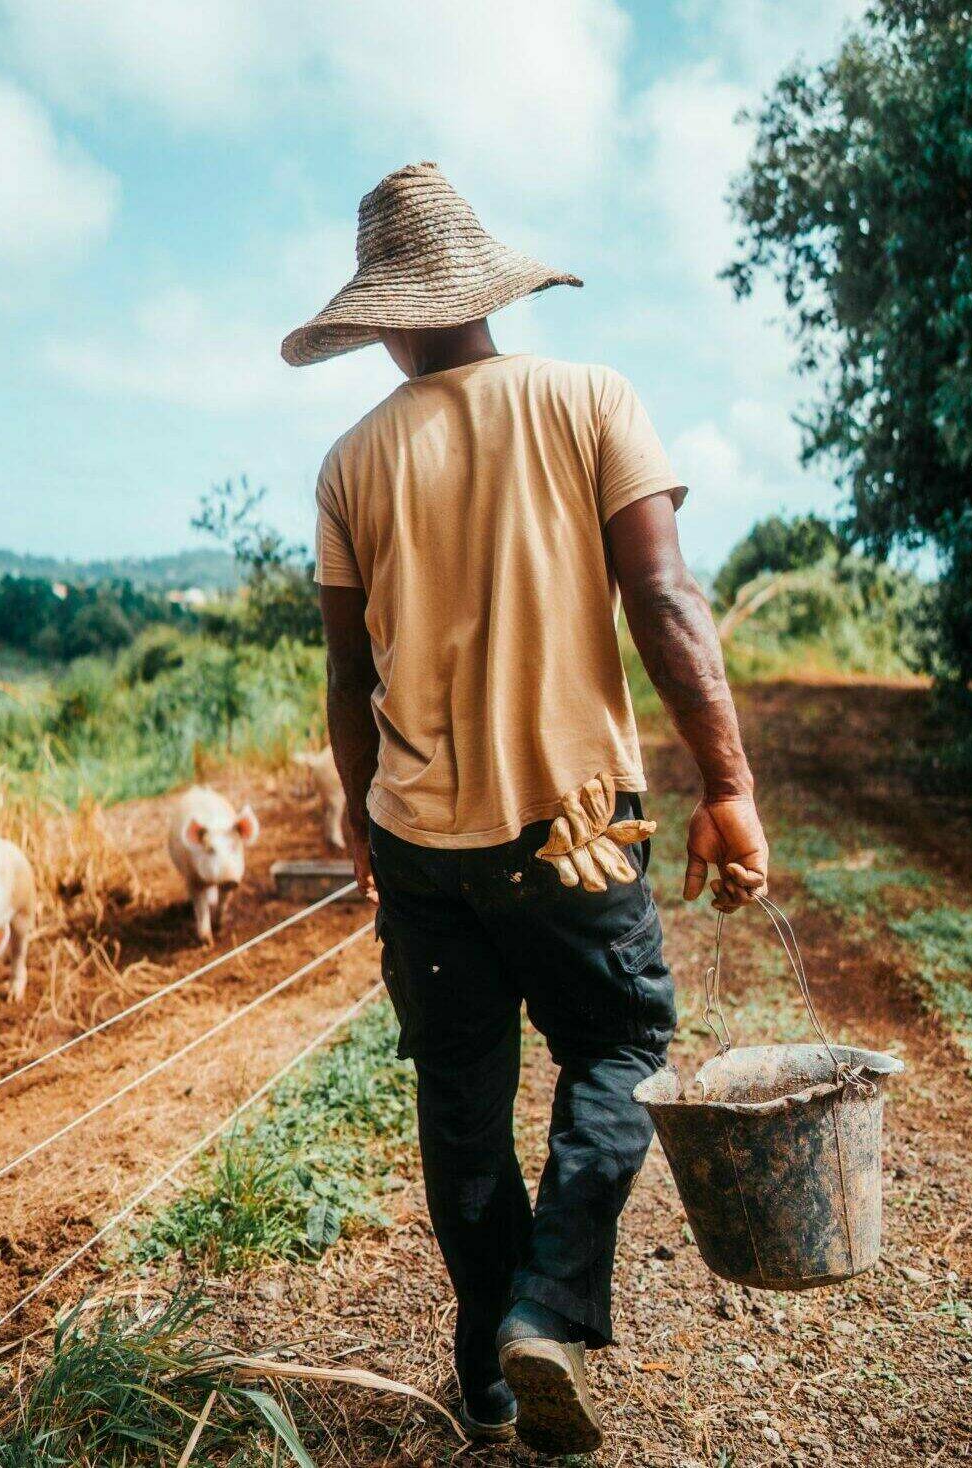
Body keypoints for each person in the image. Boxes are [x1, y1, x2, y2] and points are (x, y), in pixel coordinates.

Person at [282, 162, 768, 1456]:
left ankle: (484, 1367)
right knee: (621, 1049)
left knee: (461, 1096)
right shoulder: (592, 399)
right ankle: (545, 1309)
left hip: (420, 845)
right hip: (572, 834)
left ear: (382, 314)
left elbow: (348, 674)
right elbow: (665, 604)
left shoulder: (349, 463)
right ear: (488, 287)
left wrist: (354, 819)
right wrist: (727, 785)